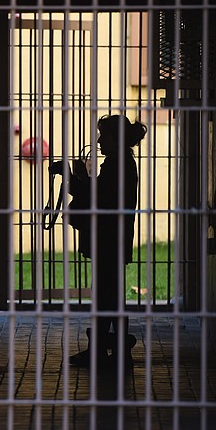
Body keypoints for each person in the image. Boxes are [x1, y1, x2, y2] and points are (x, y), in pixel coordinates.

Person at [66, 114, 147, 371]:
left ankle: (108, 349)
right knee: (108, 296)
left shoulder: (117, 164)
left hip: (108, 239)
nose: (99, 140)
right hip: (113, 238)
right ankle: (108, 349)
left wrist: (74, 180)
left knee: (107, 296)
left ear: (117, 139)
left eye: (104, 135)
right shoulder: (120, 162)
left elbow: (99, 198)